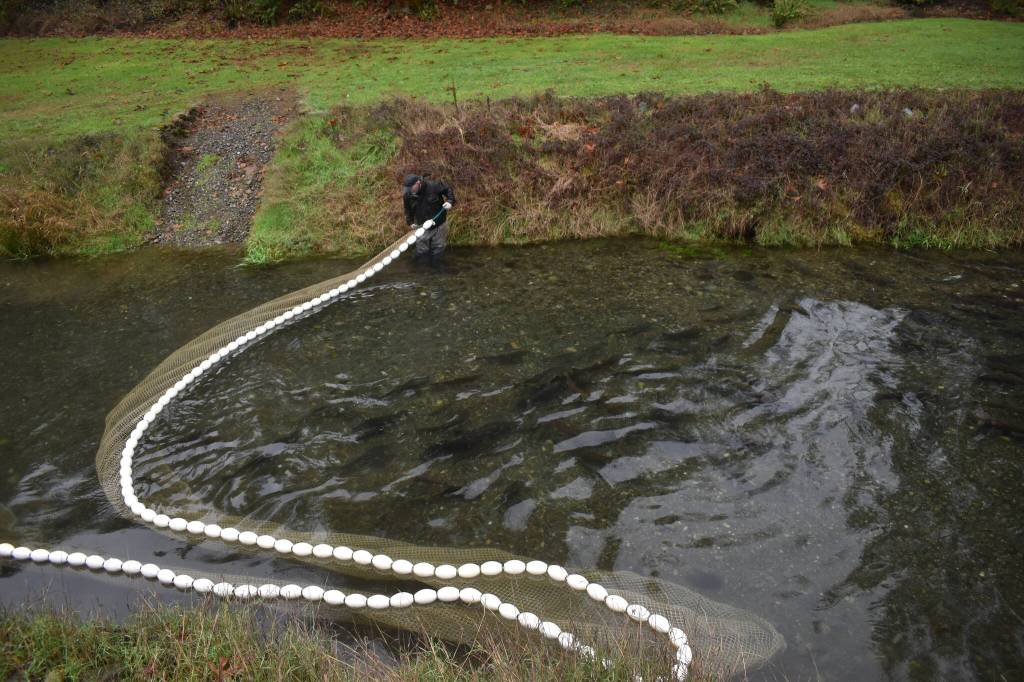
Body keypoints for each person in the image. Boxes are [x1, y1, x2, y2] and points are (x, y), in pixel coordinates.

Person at [402, 174, 455, 265]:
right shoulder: (407, 194)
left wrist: (450, 201)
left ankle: (436, 270)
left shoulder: (433, 186)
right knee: (422, 251)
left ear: (418, 183)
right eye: (407, 188)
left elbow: (448, 189)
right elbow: (408, 210)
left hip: (439, 224)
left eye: (411, 188)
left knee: (438, 248)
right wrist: (410, 222)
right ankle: (423, 272)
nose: (409, 190)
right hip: (422, 227)